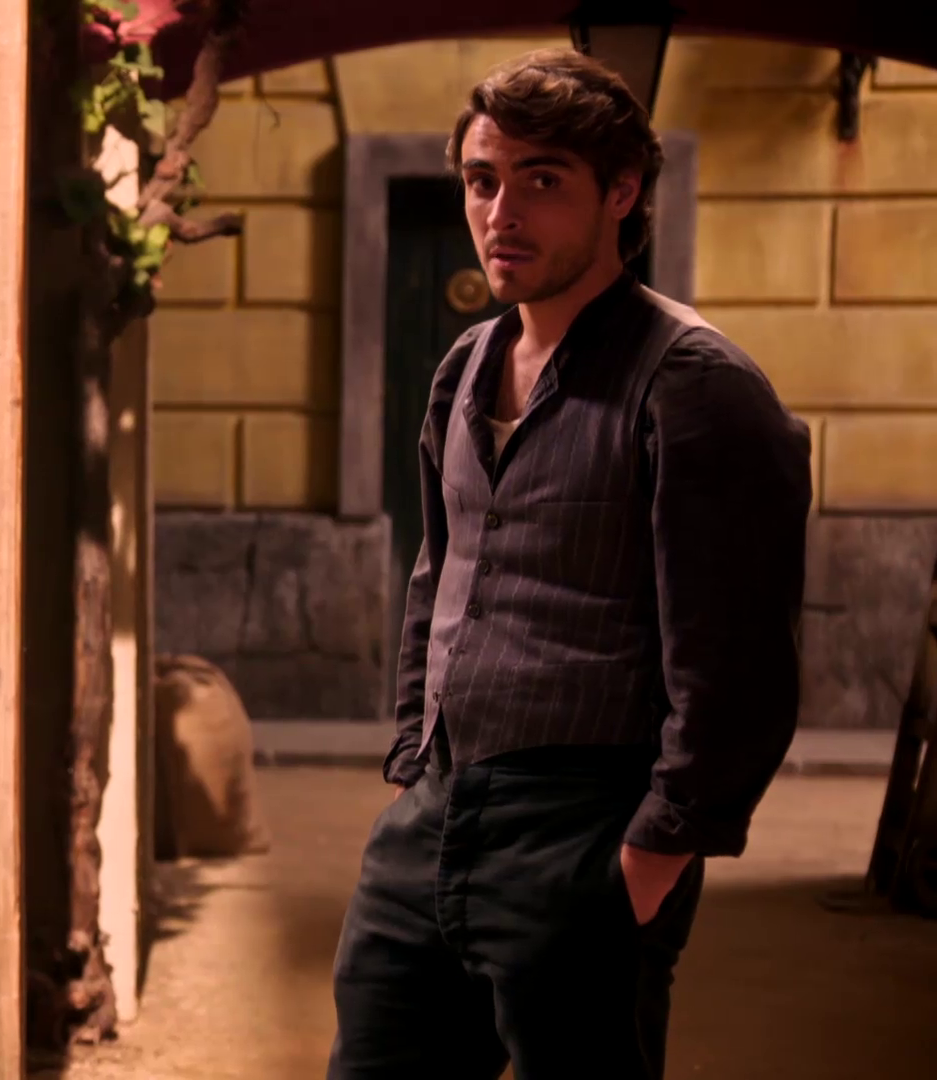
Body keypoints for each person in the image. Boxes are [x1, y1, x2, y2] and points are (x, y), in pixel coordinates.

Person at [327, 49, 812, 1080]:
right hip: (435, 814)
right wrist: (414, 759)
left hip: (587, 827)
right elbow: (439, 571)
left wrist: (649, 861)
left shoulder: (694, 383)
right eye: (482, 180)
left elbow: (738, 665)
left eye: (542, 180)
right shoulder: (465, 366)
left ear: (621, 192)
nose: (501, 213)